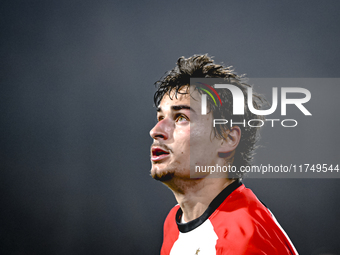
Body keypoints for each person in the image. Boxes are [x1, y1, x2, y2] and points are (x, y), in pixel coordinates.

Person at [149, 54, 298, 255]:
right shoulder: (175, 221)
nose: (156, 130)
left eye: (181, 117)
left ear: (228, 139)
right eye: (160, 117)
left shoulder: (243, 240)